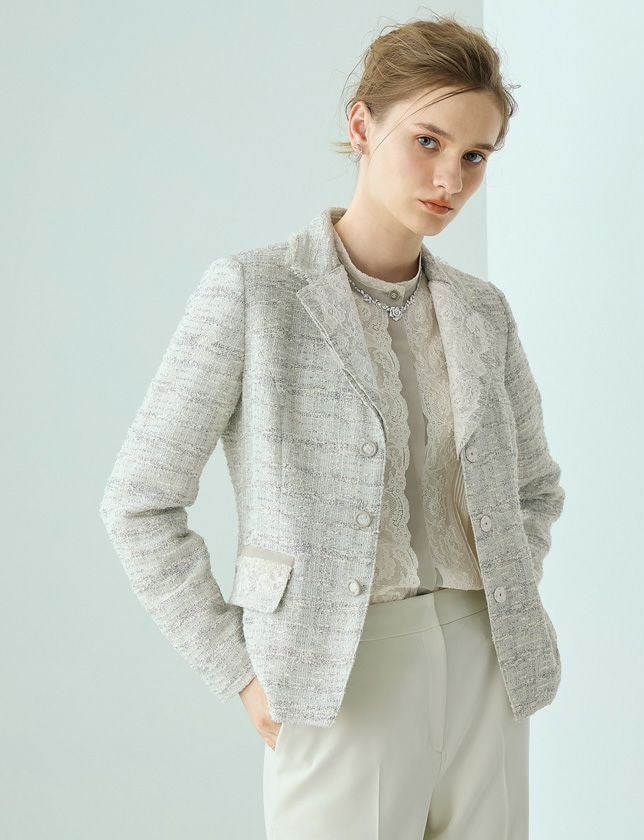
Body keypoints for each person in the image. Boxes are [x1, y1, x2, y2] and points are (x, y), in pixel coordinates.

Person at [99, 13, 565, 839]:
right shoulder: (255, 293)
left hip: (487, 663)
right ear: (361, 126)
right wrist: (239, 669)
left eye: (475, 156)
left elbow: (535, 487)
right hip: (337, 672)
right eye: (427, 141)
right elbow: (139, 503)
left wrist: (503, 580)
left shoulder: (482, 311)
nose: (450, 179)